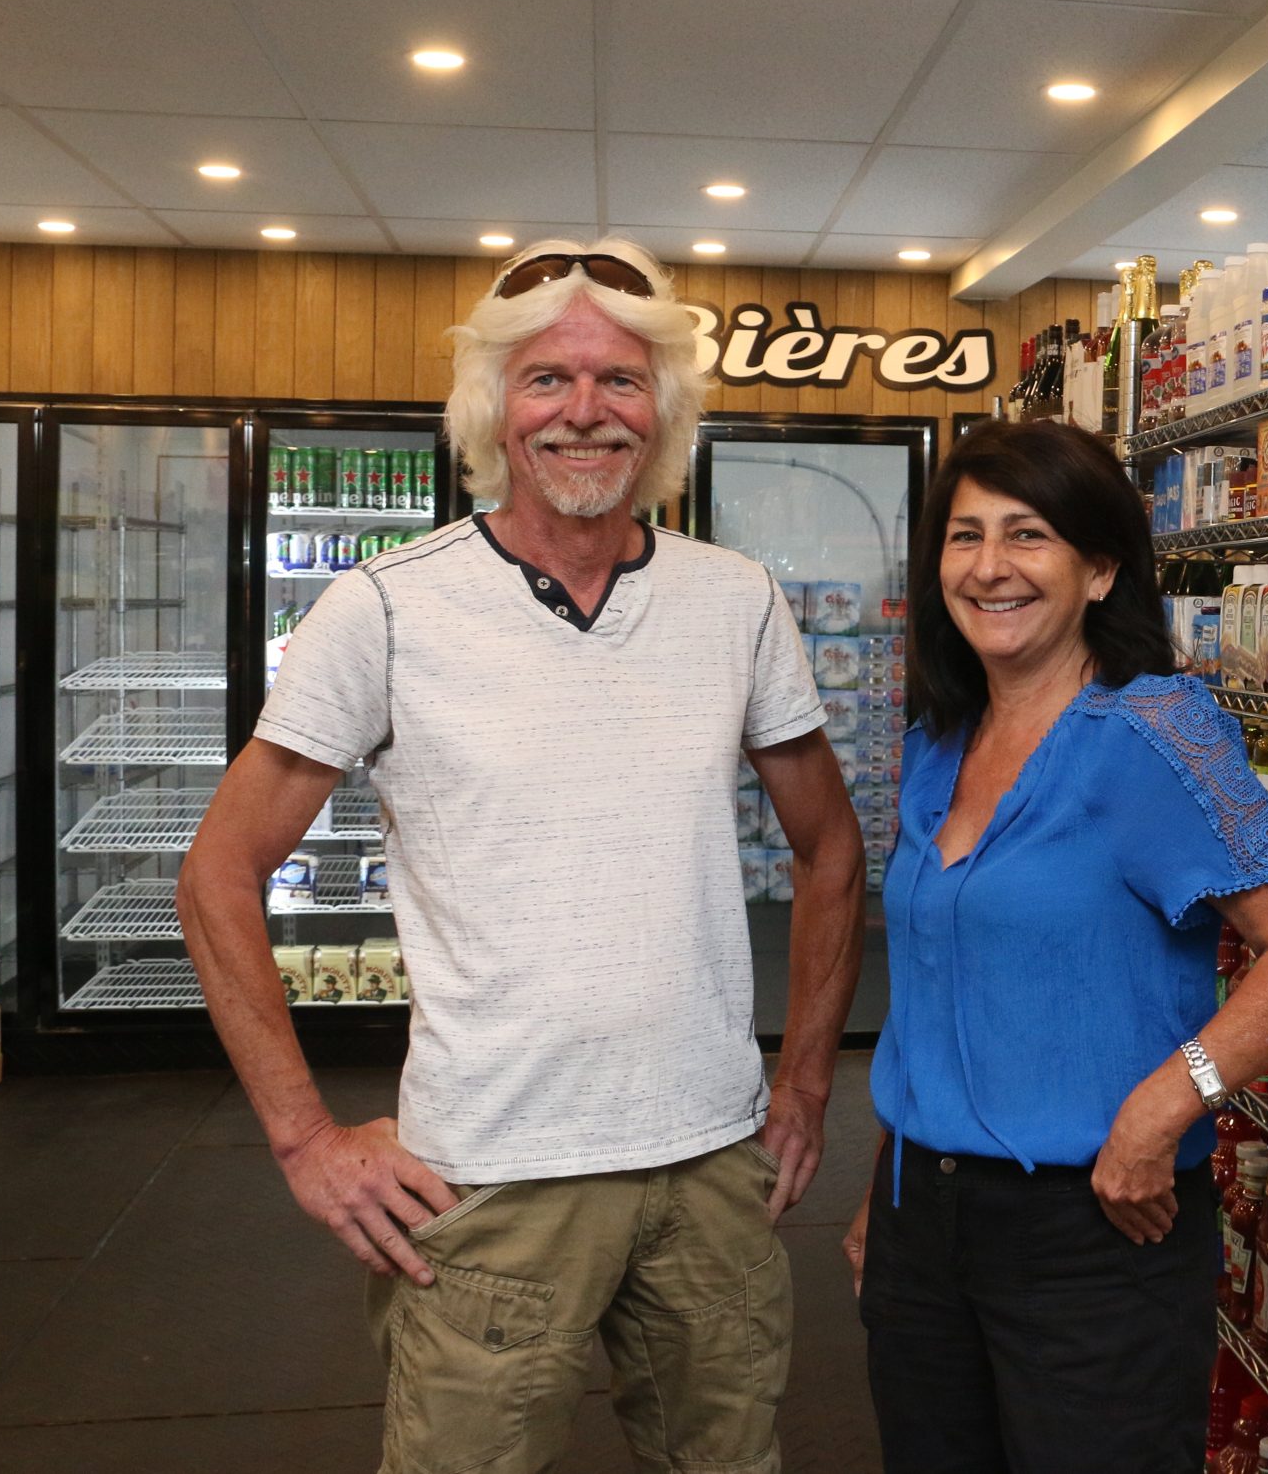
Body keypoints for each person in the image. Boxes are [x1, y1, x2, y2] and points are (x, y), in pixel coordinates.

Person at [178, 237, 864, 1474]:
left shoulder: (737, 600)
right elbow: (219, 873)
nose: (586, 413)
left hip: (713, 1167)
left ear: (664, 413)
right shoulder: (386, 606)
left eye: (621, 381)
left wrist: (807, 1081)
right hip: (487, 1184)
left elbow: (830, 847)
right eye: (548, 379)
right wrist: (302, 1137)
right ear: (493, 407)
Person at [844, 420, 1268, 1474]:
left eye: (1027, 535)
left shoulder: (1152, 735)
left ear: (1100, 568)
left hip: (1092, 1223)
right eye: (964, 536)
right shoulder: (936, 743)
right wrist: (883, 1187)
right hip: (919, 1216)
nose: (989, 567)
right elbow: (943, 987)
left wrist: (1167, 1101)